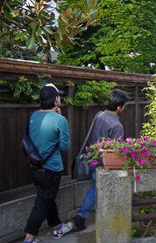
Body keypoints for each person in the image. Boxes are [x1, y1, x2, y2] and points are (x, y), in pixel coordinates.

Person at [74, 89, 129, 231]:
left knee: (95, 188)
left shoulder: (99, 115)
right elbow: (116, 151)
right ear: (119, 107)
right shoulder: (117, 126)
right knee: (104, 189)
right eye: (124, 106)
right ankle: (108, 219)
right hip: (106, 163)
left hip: (93, 158)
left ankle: (82, 214)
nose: (124, 108)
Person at [24, 84, 72, 243]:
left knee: (47, 197)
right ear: (55, 99)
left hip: (35, 166)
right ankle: (29, 239)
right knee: (43, 201)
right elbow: (65, 146)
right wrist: (59, 120)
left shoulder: (33, 116)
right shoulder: (60, 120)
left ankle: (57, 227)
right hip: (52, 168)